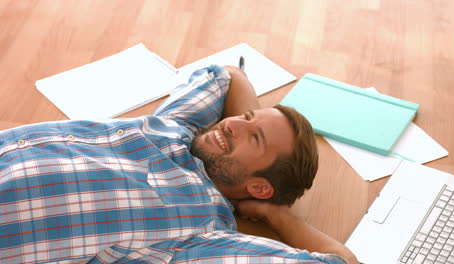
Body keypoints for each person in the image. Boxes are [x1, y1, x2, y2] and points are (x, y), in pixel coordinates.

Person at [0, 65, 358, 263]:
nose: (233, 124)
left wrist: (277, 215)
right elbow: (229, 75)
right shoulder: (178, 128)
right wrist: (249, 129)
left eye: (255, 138)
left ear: (260, 188)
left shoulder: (201, 234)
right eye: (246, 117)